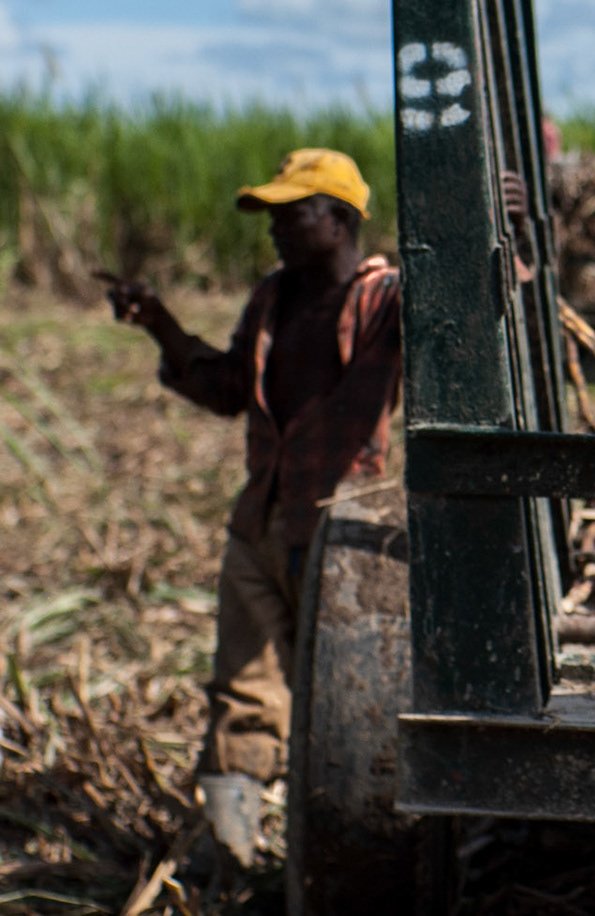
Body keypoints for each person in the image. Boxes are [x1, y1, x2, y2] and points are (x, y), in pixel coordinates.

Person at [103, 149, 402, 866]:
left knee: (340, 710)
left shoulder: (386, 298)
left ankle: (336, 863)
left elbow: (478, 309)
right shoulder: (274, 297)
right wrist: (160, 325)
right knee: (242, 693)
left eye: (290, 215)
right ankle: (228, 856)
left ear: (338, 220)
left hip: (341, 536)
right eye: (270, 215)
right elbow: (231, 387)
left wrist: (511, 241)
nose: (274, 229)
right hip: (261, 524)